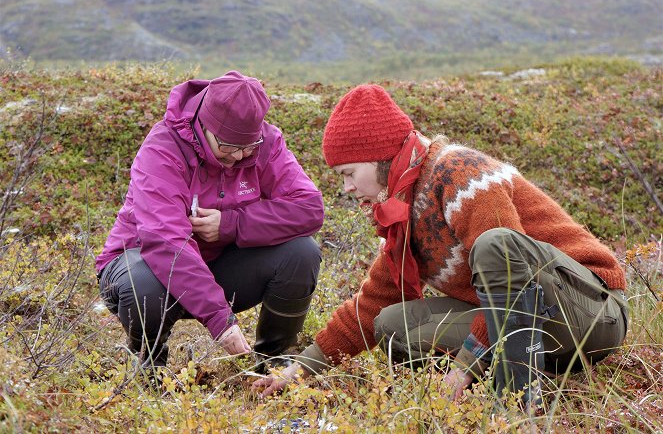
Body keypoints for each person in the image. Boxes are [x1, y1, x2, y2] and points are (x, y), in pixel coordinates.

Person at [253, 84, 628, 407]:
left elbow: (512, 270)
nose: (347, 187)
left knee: (495, 246)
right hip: (538, 325)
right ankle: (535, 369)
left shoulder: (460, 174)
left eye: (349, 173)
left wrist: (464, 367)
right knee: (392, 324)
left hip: (591, 311)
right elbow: (373, 302)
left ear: (379, 157)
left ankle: (513, 398)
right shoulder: (404, 208)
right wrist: (300, 369)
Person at [96, 71, 324, 373]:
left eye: (248, 147)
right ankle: (150, 364)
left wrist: (232, 224)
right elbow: (165, 242)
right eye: (228, 147)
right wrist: (221, 321)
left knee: (301, 253)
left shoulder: (266, 143)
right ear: (205, 127)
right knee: (144, 287)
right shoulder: (163, 149)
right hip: (141, 266)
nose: (240, 156)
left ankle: (273, 361)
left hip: (219, 265)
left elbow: (309, 208)